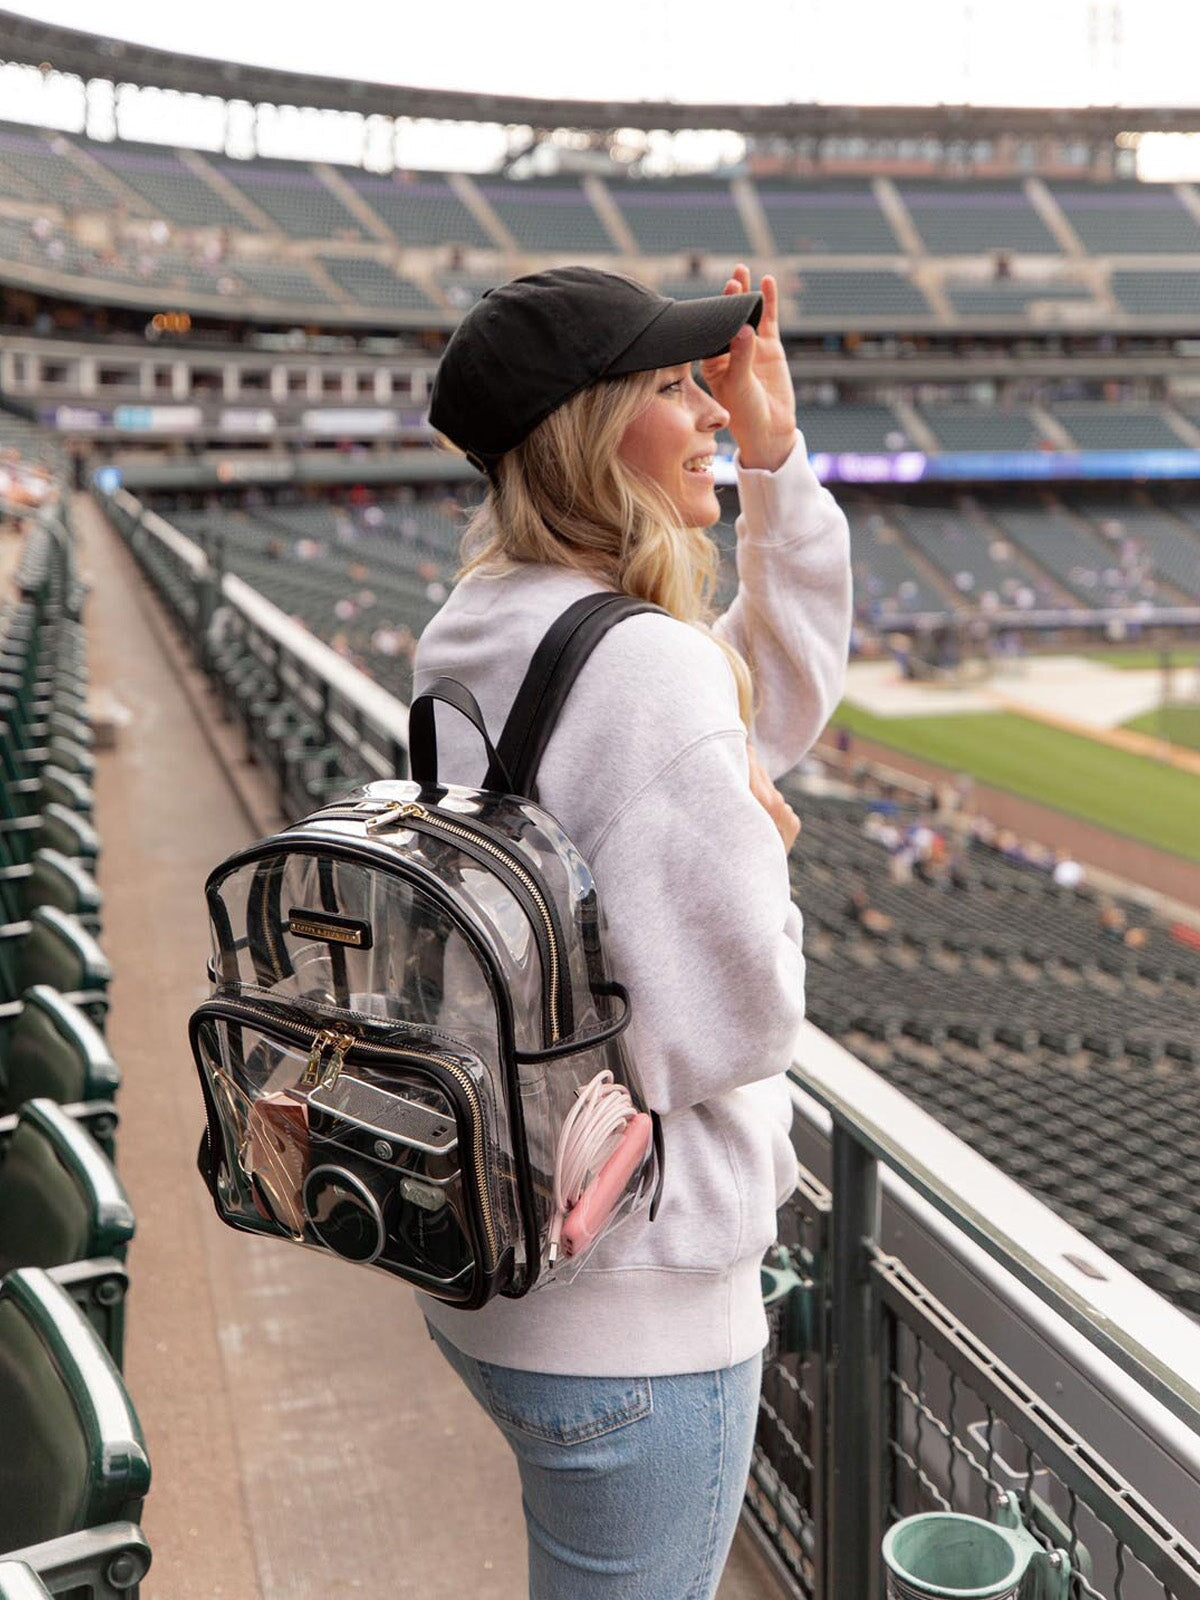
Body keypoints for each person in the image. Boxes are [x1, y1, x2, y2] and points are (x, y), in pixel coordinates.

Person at [413, 264, 852, 1600]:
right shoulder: (640, 664)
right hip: (636, 1308)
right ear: (593, 433)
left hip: (508, 1269)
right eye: (673, 386)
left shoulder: (486, 620)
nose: (713, 406)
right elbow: (739, 1019)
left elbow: (750, 706)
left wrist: (773, 462)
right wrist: (764, 845)